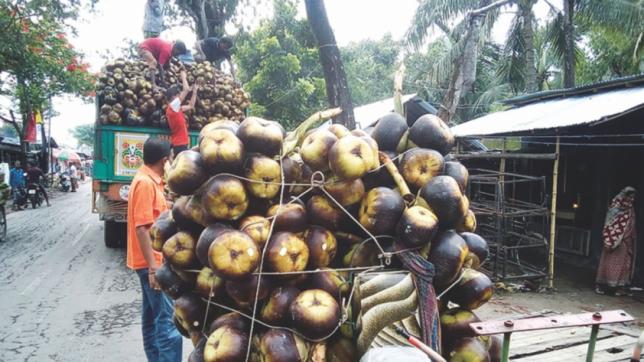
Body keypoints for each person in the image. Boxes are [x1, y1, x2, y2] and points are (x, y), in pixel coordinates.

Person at [126, 138, 182, 362]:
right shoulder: (145, 183)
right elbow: (142, 228)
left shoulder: (153, 182)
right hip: (154, 265)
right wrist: (153, 269)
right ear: (164, 160)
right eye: (171, 157)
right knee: (168, 323)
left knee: (151, 318)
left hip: (151, 263)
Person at [595, 186, 637, 296]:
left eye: (633, 198)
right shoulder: (615, 208)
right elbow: (609, 224)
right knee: (607, 263)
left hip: (625, 241)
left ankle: (619, 288)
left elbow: (631, 224)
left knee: (624, 265)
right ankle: (601, 285)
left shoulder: (630, 209)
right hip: (613, 241)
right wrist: (613, 238)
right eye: (630, 197)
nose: (631, 200)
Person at [166, 70, 198, 156]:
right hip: (179, 144)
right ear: (173, 97)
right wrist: (183, 76)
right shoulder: (172, 106)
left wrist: (194, 92)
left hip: (180, 144)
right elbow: (186, 89)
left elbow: (191, 106)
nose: (179, 96)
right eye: (178, 95)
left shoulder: (176, 109)